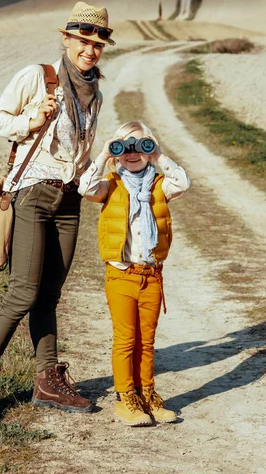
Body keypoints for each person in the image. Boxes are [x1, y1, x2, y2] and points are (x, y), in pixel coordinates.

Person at [0, 1, 116, 424]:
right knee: (23, 292)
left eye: (98, 43)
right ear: (66, 39)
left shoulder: (95, 94)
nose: (90, 50)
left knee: (49, 295)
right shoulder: (39, 76)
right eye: (83, 41)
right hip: (31, 195)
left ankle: (47, 380)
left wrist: (94, 178)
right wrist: (30, 121)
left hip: (68, 201)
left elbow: (78, 153)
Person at [78, 121, 191, 426]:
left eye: (140, 146)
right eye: (124, 147)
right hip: (121, 276)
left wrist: (159, 156)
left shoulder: (159, 186)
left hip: (151, 276)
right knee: (126, 339)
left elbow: (183, 182)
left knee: (147, 341)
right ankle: (125, 397)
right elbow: (85, 187)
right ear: (116, 152)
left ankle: (146, 393)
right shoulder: (110, 185)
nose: (132, 153)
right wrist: (102, 156)